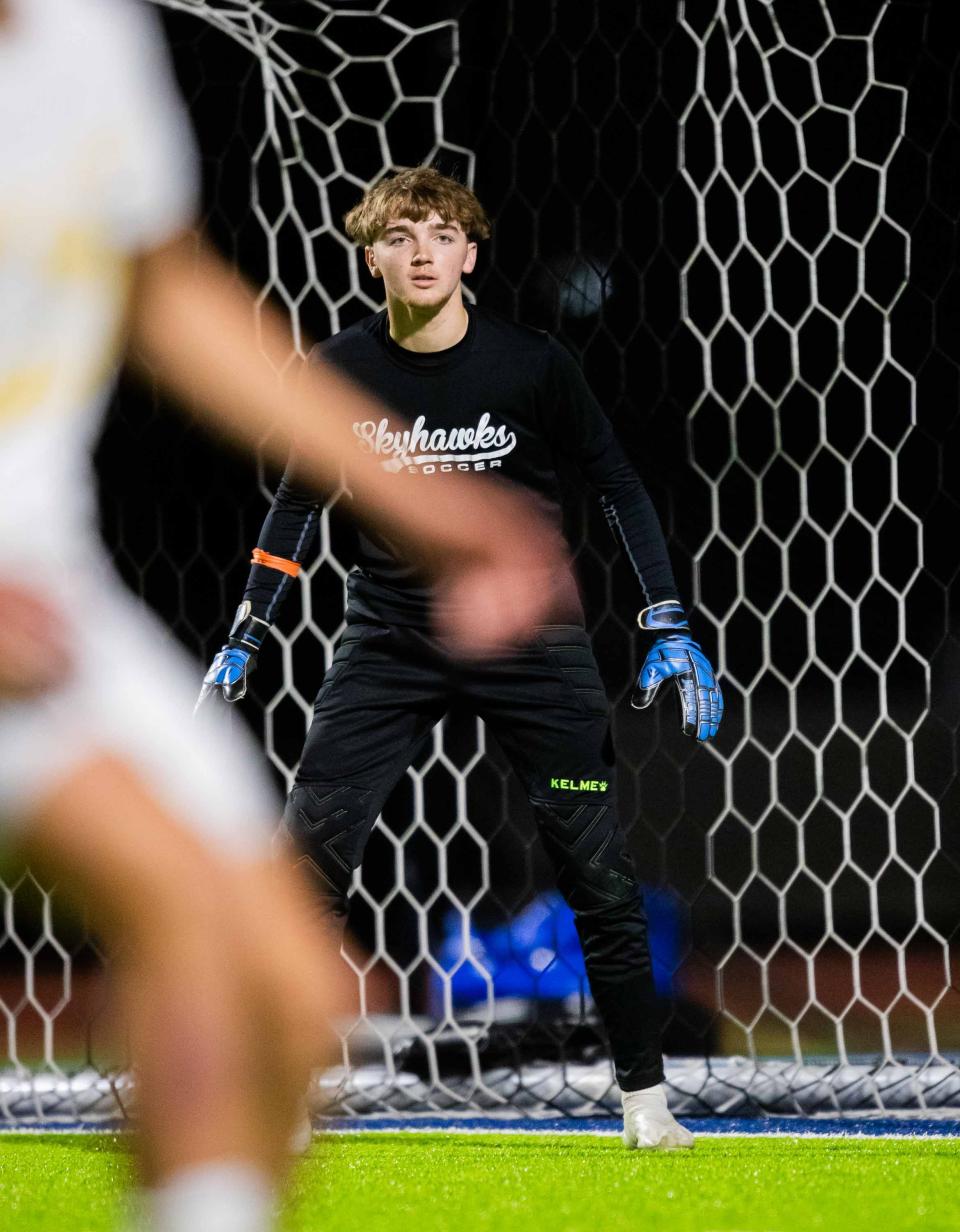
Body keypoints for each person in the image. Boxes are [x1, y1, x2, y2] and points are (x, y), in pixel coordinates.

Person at [0, 3, 567, 1228]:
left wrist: (429, 501)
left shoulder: (86, 37)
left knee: (288, 991)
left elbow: (166, 288)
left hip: (49, 600)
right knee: (184, 908)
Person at [204, 165, 724, 1150]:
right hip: (390, 638)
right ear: (373, 258)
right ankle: (280, 1088)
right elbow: (296, 501)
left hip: (531, 644)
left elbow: (615, 480)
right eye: (401, 236)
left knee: (596, 870)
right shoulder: (341, 369)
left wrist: (666, 615)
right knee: (307, 857)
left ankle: (645, 1100)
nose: (423, 251)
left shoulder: (531, 364)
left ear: (471, 254)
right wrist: (248, 626)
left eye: (442, 234)